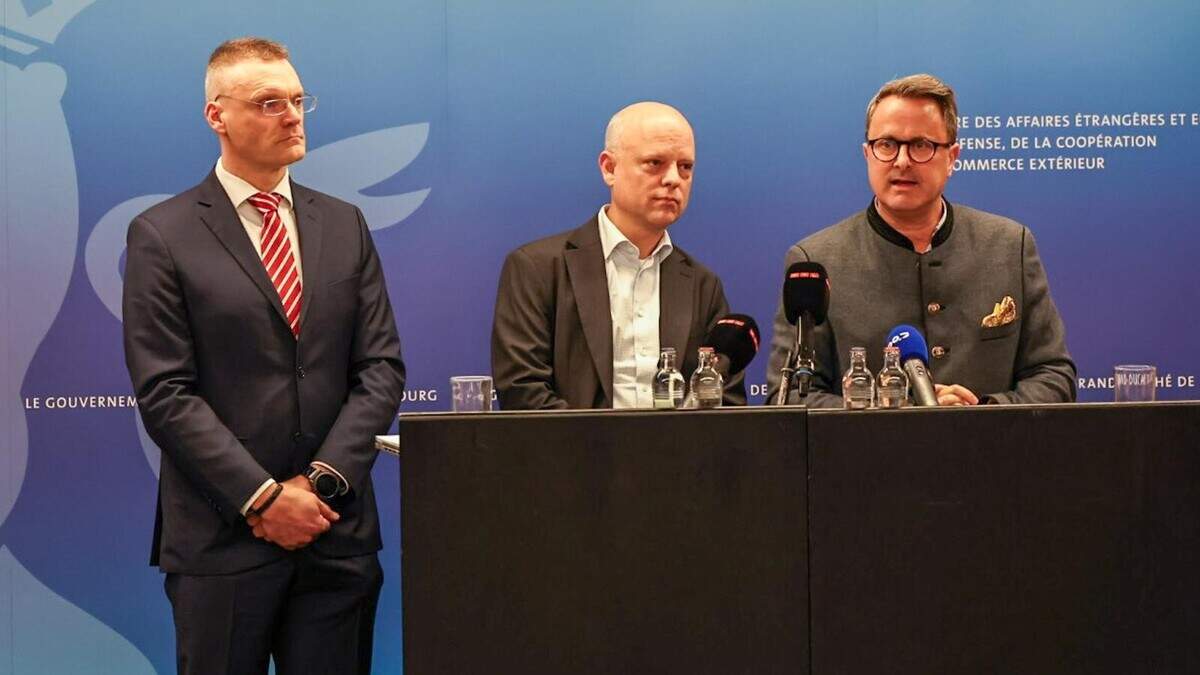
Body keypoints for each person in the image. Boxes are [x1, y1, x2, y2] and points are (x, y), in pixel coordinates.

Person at [122, 37, 405, 674]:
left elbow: (380, 367)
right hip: (222, 544)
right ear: (216, 116)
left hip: (336, 537)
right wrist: (263, 499)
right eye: (269, 102)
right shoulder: (162, 234)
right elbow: (165, 391)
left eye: (299, 100)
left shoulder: (344, 223)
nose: (293, 115)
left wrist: (323, 483)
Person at [765, 74, 1075, 407]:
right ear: (867, 154)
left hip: (988, 452)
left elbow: (1054, 375)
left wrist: (985, 410)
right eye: (886, 144)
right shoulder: (816, 261)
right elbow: (792, 401)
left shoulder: (1009, 246)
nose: (901, 161)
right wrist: (897, 414)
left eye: (921, 145)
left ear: (953, 156)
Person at [492, 101, 746, 409]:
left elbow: (726, 401)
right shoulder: (537, 269)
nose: (673, 180)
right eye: (655, 163)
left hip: (678, 455)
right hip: (569, 455)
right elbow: (523, 392)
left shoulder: (702, 285)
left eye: (685, 167)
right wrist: (611, 453)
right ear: (609, 168)